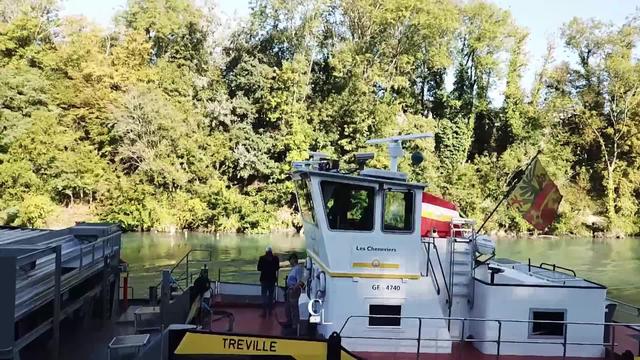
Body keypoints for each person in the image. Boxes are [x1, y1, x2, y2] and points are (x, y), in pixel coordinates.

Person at [257, 245, 279, 317]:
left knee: (264, 295)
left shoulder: (262, 258)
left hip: (264, 279)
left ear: (266, 252)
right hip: (272, 279)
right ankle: (270, 311)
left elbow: (259, 268)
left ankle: (264, 312)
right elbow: (277, 268)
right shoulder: (276, 258)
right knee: (270, 295)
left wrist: (265, 268)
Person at [285, 253, 305, 333]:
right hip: (290, 290)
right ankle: (291, 323)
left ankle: (295, 326)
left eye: (290, 260)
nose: (290, 262)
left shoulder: (298, 269)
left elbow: (299, 281)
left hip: (294, 291)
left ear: (294, 259)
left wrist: (294, 289)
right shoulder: (294, 268)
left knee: (294, 309)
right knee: (290, 308)